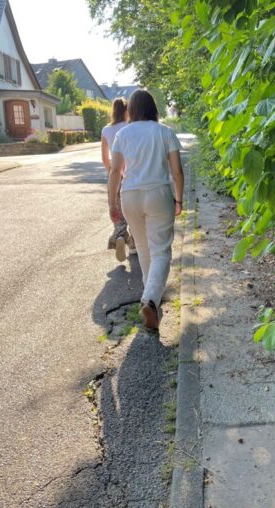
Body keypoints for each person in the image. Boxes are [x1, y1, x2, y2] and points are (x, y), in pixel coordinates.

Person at [108, 89, 184, 330]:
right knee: (161, 250)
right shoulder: (165, 132)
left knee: (142, 248)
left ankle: (151, 303)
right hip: (159, 193)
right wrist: (179, 199)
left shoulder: (122, 134)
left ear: (132, 110)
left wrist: (112, 203)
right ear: (153, 108)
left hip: (130, 194)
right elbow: (177, 171)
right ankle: (150, 300)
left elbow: (114, 171)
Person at [101, 97, 135, 261]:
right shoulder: (130, 128)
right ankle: (134, 244)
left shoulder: (106, 130)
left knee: (117, 210)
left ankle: (120, 235)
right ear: (126, 110)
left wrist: (111, 172)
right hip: (130, 172)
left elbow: (104, 159)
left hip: (114, 174)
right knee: (133, 209)